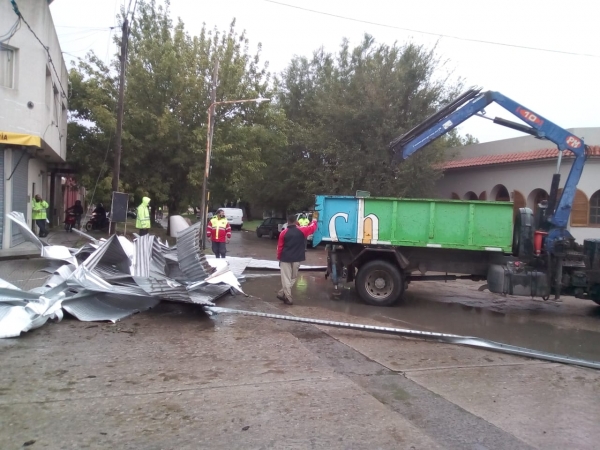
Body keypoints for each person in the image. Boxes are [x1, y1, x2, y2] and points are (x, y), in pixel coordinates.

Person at [276, 213, 318, 305]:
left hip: (285, 258)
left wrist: (279, 258)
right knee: (293, 278)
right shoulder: (302, 230)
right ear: (296, 221)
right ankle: (285, 295)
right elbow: (312, 228)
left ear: (287, 222)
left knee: (286, 279)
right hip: (297, 259)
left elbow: (280, 247)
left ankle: (286, 296)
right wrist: (314, 219)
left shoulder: (283, 233)